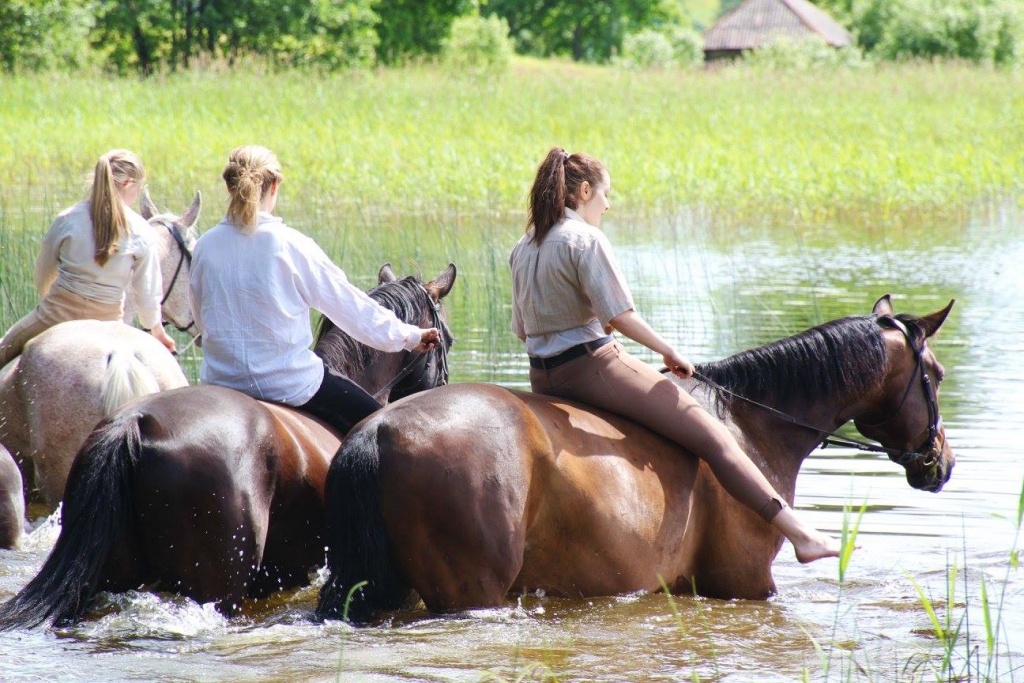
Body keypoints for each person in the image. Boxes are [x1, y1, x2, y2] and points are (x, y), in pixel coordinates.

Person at [509, 147, 841, 564]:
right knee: (713, 437)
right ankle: (800, 534)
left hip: (543, 378)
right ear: (585, 191)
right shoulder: (586, 239)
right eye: (605, 195)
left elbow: (523, 328)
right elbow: (622, 316)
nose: (608, 205)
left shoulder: (524, 246)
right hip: (593, 368)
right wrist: (669, 350)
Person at [189, 145, 441, 435]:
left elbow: (202, 319)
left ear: (229, 186)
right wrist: (408, 336)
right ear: (274, 185)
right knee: (383, 435)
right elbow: (350, 309)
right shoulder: (291, 245)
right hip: (290, 385)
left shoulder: (205, 246)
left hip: (220, 385)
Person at [0, 149, 176, 369]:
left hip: (57, 314)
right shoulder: (141, 230)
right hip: (110, 323)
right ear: (128, 183)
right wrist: (156, 330)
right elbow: (147, 295)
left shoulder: (67, 219)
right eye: (138, 189)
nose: (137, 194)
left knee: (3, 350)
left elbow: (43, 275)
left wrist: (53, 299)